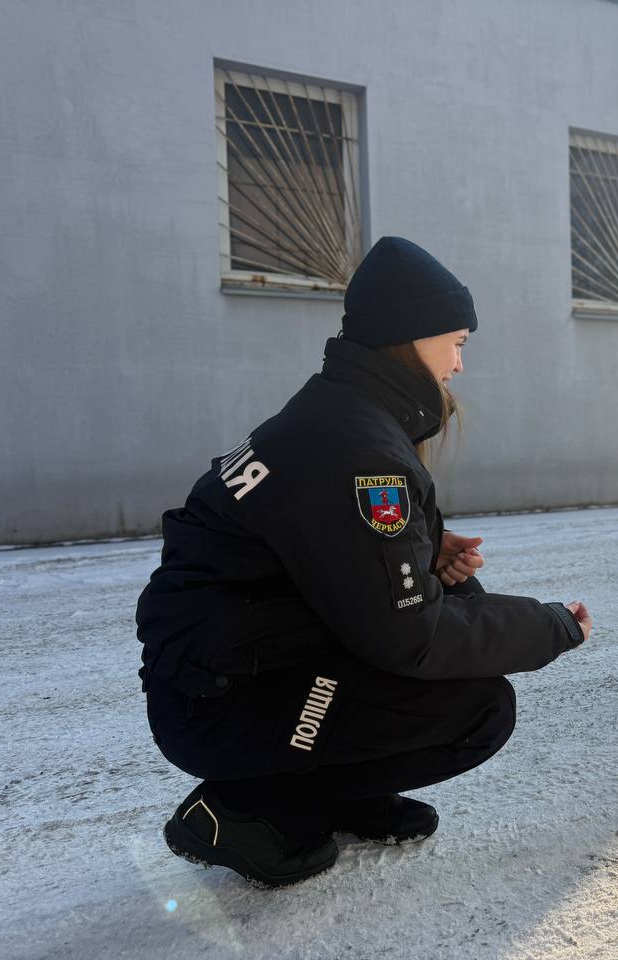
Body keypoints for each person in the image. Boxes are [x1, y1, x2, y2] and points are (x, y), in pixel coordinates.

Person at [135, 236, 592, 888]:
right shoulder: (361, 449)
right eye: (456, 342)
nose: (459, 364)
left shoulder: (336, 414)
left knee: (444, 642)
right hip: (221, 702)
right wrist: (551, 625)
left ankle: (337, 796)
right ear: (413, 335)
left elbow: (323, 558)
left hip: (222, 677)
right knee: (478, 708)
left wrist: (423, 555)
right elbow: (413, 638)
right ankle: (241, 810)